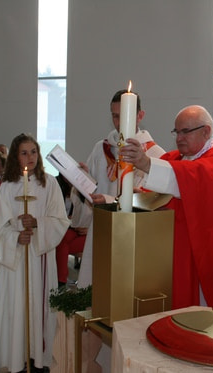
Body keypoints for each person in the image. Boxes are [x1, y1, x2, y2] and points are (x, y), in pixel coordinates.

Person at [121, 105, 213, 311]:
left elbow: (191, 177)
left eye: (185, 131)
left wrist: (146, 163)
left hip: (207, 255)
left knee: (204, 319)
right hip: (177, 252)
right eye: (176, 132)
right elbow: (164, 193)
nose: (179, 138)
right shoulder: (174, 159)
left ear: (206, 131)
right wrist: (141, 196)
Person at [0, 133, 69, 373]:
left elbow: (60, 220)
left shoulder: (49, 183)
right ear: (15, 156)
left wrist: (37, 224)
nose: (30, 157)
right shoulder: (6, 187)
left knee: (41, 305)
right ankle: (17, 359)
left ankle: (39, 359)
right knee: (17, 308)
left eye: (33, 151)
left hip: (39, 257)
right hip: (15, 260)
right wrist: (16, 236)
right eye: (24, 152)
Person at [76, 89, 165, 287]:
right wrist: (82, 177)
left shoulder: (154, 154)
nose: (118, 122)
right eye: (115, 116)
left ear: (140, 115)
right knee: (97, 286)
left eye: (123, 115)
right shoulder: (102, 148)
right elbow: (93, 185)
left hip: (132, 235)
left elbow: (152, 201)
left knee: (124, 288)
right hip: (102, 229)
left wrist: (110, 201)